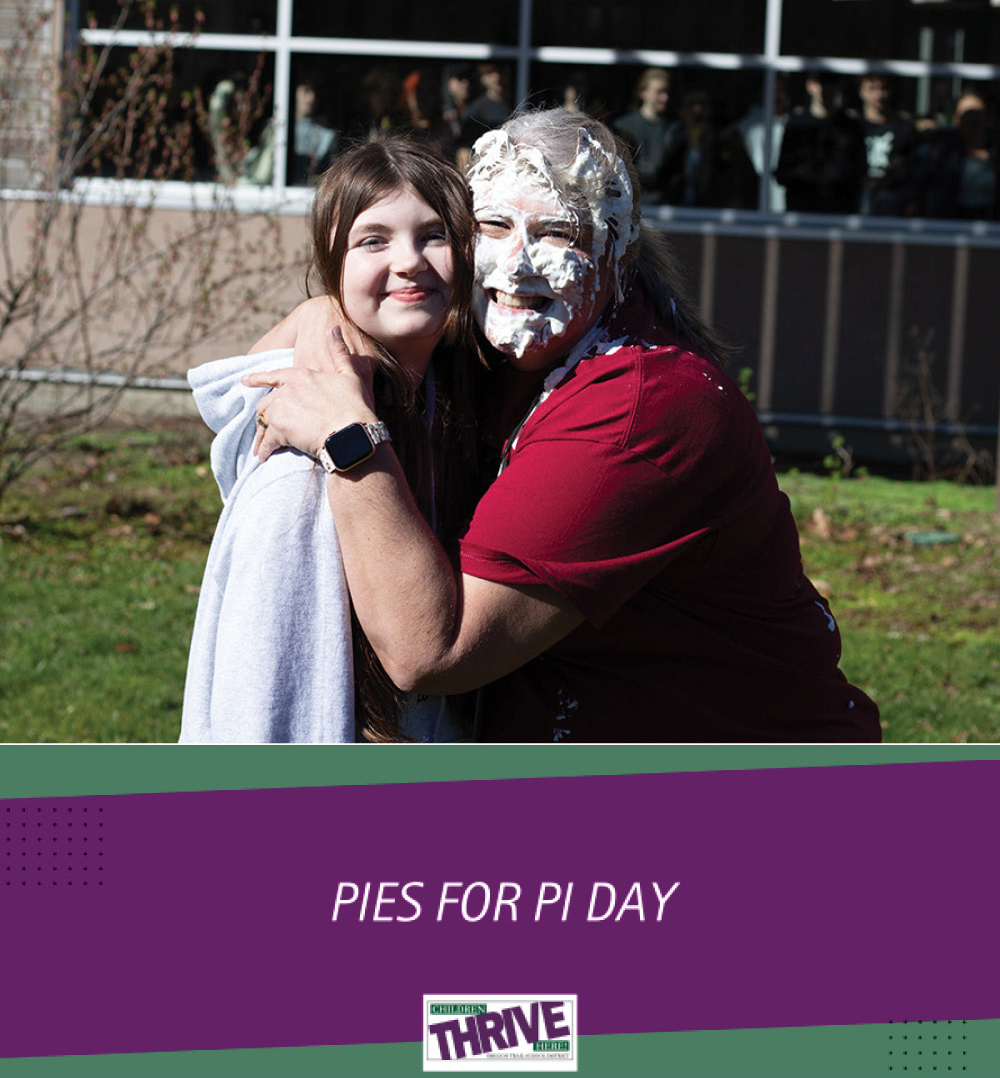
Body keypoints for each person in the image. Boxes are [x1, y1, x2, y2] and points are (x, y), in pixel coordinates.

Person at [248, 107, 880, 743]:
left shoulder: (641, 408)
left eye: (558, 235)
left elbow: (429, 653)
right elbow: (243, 382)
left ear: (618, 253)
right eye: (493, 225)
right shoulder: (515, 343)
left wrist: (350, 439)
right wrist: (328, 312)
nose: (517, 265)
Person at [181, 137, 481, 743]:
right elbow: (264, 716)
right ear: (332, 267)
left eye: (434, 235)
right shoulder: (304, 481)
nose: (409, 261)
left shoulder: (452, 414)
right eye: (373, 240)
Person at [776, 72, 865, 214]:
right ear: (810, 86)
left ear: (839, 87)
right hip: (802, 210)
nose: (825, 89)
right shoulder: (797, 125)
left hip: (839, 210)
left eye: (831, 84)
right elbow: (782, 172)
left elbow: (859, 171)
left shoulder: (849, 126)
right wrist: (807, 172)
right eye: (820, 83)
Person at [613, 67, 674, 204]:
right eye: (659, 92)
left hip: (664, 204)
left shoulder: (673, 128)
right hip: (630, 203)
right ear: (643, 92)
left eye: (667, 92)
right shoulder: (623, 126)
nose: (665, 98)